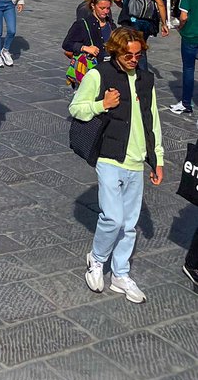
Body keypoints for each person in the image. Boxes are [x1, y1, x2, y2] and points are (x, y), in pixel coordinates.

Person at [69, 27, 164, 302]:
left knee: (130, 224)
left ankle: (121, 274)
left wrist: (157, 159)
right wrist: (101, 104)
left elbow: (153, 120)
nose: (134, 59)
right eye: (128, 55)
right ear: (116, 51)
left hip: (136, 159)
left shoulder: (146, 79)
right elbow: (76, 108)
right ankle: (96, 260)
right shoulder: (100, 74)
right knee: (113, 217)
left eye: (138, 54)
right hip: (109, 155)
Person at [170, 0, 198, 115]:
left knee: (188, 68)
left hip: (190, 35)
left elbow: (183, 15)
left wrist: (180, 26)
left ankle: (186, 103)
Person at [63, 0, 114, 64]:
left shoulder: (110, 24)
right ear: (93, 6)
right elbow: (67, 44)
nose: (106, 11)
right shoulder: (82, 24)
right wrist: (84, 48)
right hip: (92, 68)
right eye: (102, 8)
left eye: (108, 8)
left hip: (109, 66)